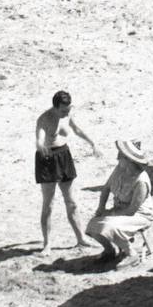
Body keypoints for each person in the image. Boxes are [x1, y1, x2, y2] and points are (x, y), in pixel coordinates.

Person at [34, 90, 97, 251]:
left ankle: (81, 238)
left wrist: (92, 143)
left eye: (68, 110)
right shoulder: (44, 119)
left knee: (72, 202)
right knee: (48, 204)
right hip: (47, 159)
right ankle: (47, 244)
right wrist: (41, 146)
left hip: (64, 155)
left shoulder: (67, 113)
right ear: (55, 107)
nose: (66, 113)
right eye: (63, 111)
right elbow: (40, 138)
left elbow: (76, 129)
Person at [86, 139, 153, 266]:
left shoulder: (141, 181)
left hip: (139, 215)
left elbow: (132, 210)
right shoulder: (119, 170)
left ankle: (131, 254)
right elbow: (106, 188)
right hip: (119, 210)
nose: (117, 158)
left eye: (121, 156)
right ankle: (109, 250)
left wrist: (110, 214)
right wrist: (101, 208)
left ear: (129, 160)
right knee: (93, 224)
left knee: (109, 225)